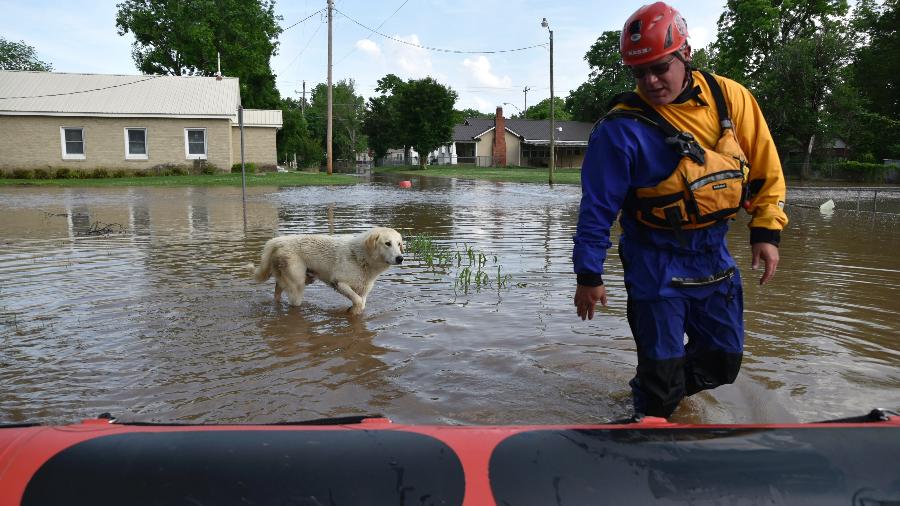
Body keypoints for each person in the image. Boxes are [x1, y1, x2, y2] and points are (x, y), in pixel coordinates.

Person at [572, 1, 788, 419]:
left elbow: (765, 166)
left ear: (686, 54)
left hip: (714, 254)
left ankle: (653, 398)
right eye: (639, 72)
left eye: (659, 68)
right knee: (661, 376)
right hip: (654, 257)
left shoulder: (731, 98)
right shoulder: (619, 130)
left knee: (723, 362)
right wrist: (588, 275)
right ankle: (652, 411)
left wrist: (766, 231)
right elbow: (596, 210)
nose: (650, 81)